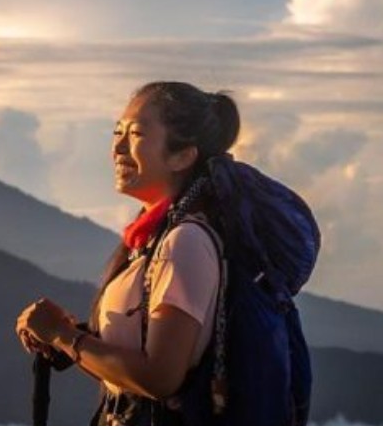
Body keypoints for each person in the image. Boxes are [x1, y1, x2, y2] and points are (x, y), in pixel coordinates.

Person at [14, 81, 241, 426]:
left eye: (136, 134)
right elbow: (135, 374)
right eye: (117, 131)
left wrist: (64, 336)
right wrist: (67, 341)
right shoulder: (153, 240)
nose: (117, 147)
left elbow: (160, 378)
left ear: (182, 155)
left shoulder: (185, 243)